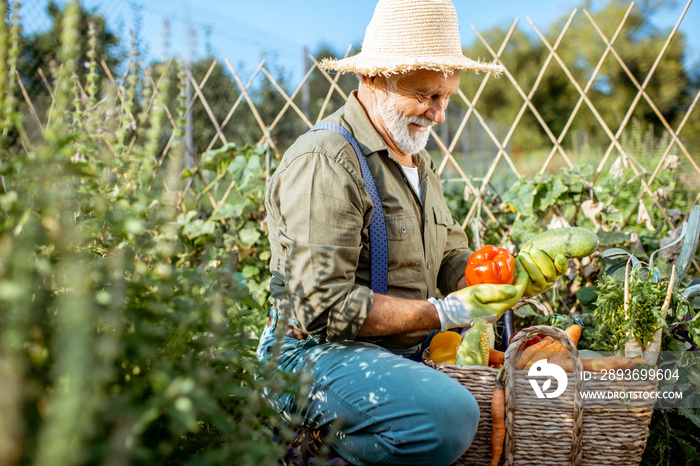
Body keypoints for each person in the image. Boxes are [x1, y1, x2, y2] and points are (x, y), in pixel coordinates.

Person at [256, 0, 568, 464]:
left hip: (397, 354)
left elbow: (449, 261)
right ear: (373, 79)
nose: (439, 114)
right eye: (425, 95)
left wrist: (505, 279)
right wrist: (443, 312)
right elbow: (321, 306)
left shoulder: (416, 159)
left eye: (446, 97)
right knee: (449, 416)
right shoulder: (326, 160)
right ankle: (311, 453)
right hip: (311, 354)